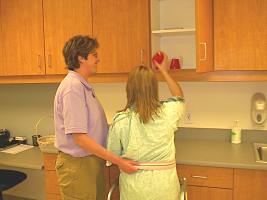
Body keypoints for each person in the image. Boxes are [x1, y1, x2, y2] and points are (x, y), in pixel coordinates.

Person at [54, 35, 138, 200]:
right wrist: (118, 161)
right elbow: (80, 138)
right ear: (81, 58)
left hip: (89, 162)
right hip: (78, 165)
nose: (98, 59)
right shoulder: (72, 88)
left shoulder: (82, 86)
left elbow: (92, 129)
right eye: (94, 55)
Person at [106, 52, 185, 200]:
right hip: (165, 190)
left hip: (134, 191)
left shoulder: (121, 121)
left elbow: (113, 155)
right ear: (154, 88)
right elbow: (179, 96)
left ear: (129, 89)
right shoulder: (168, 113)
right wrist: (163, 71)